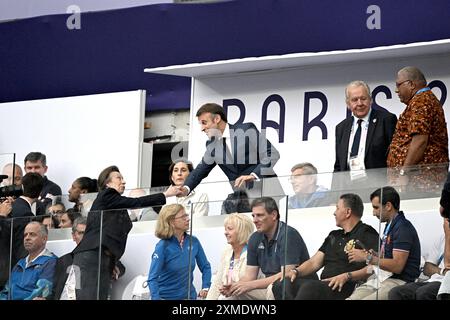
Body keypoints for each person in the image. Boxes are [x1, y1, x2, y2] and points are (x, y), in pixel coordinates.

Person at [72, 165, 181, 300]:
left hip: (100, 258)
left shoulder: (113, 203)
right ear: (107, 183)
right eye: (119, 178)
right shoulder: (107, 194)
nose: (123, 181)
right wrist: (165, 194)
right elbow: (136, 202)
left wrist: (112, 262)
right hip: (93, 256)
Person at [272, 193, 379, 300]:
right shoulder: (334, 235)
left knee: (310, 288)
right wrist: (296, 271)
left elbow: (374, 267)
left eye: (337, 208)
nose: (334, 213)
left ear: (348, 212)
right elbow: (314, 263)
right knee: (282, 284)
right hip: (324, 284)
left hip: (345, 285)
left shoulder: (367, 233)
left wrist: (348, 276)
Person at [180, 103, 282, 199]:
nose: (202, 128)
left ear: (217, 119)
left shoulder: (246, 130)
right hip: (243, 200)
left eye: (204, 123)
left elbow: (272, 154)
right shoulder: (212, 145)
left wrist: (253, 175)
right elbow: (200, 171)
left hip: (269, 194)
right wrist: (185, 188)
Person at [222, 197, 310, 300]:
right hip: (271, 287)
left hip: (296, 288)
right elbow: (250, 276)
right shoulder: (255, 238)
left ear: (273, 215)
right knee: (234, 294)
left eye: (259, 215)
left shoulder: (288, 235)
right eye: (253, 216)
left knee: (274, 288)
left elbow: (286, 275)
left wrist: (249, 285)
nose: (254, 220)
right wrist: (235, 286)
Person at [347, 186, 421, 300]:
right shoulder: (390, 225)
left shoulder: (403, 228)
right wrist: (376, 255)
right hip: (382, 279)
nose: (373, 213)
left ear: (388, 206)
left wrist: (368, 257)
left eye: (376, 207)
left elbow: (397, 266)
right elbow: (388, 257)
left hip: (400, 282)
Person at [387, 67, 449, 194]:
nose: (396, 90)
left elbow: (420, 141)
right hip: (420, 181)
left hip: (421, 182)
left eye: (398, 85)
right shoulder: (422, 100)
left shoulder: (421, 102)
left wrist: (404, 172)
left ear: (410, 84)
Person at [332, 80, 397, 199]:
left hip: (379, 190)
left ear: (371, 100)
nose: (359, 103)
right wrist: (334, 197)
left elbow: (395, 157)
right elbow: (338, 166)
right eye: (354, 100)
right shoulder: (341, 128)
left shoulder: (386, 120)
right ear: (348, 103)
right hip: (350, 191)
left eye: (363, 98)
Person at [148, 204, 212, 300]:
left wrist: (206, 287)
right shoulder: (162, 247)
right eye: (183, 216)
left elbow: (206, 267)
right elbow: (152, 279)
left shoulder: (194, 241)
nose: (188, 219)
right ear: (171, 222)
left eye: (186, 215)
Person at [0, 221, 57, 300]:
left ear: (44, 239)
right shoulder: (20, 264)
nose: (27, 238)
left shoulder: (51, 262)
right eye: (25, 235)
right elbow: (5, 292)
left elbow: (41, 294)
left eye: (32, 234)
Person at [389, 224, 447, 300]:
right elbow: (427, 268)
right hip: (433, 280)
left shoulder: (404, 228)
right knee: (396, 292)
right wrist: (443, 271)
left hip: (445, 284)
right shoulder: (443, 238)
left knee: (424, 292)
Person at [206, 213, 255, 300]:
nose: (225, 233)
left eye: (229, 229)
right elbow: (217, 284)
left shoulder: (253, 253)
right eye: (225, 229)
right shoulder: (226, 251)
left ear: (242, 231)